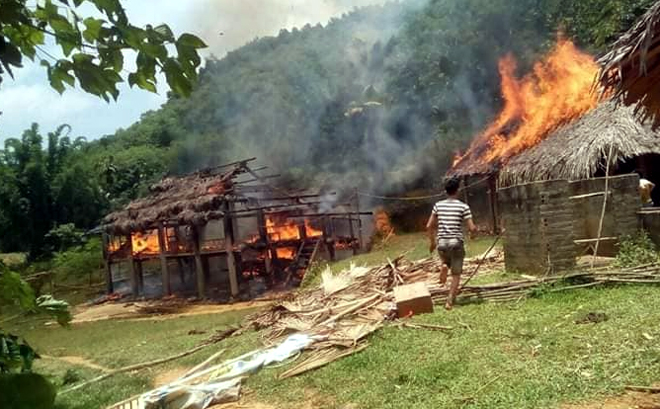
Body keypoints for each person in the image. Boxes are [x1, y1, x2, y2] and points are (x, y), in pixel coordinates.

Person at [426, 178, 477, 310]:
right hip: (455, 243)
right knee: (456, 275)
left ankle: (444, 265)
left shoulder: (438, 205)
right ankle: (449, 301)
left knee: (446, 258)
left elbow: (429, 226)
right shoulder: (463, 206)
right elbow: (471, 227)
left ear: (446, 191)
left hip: (441, 243)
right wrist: (473, 235)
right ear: (457, 190)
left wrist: (432, 242)